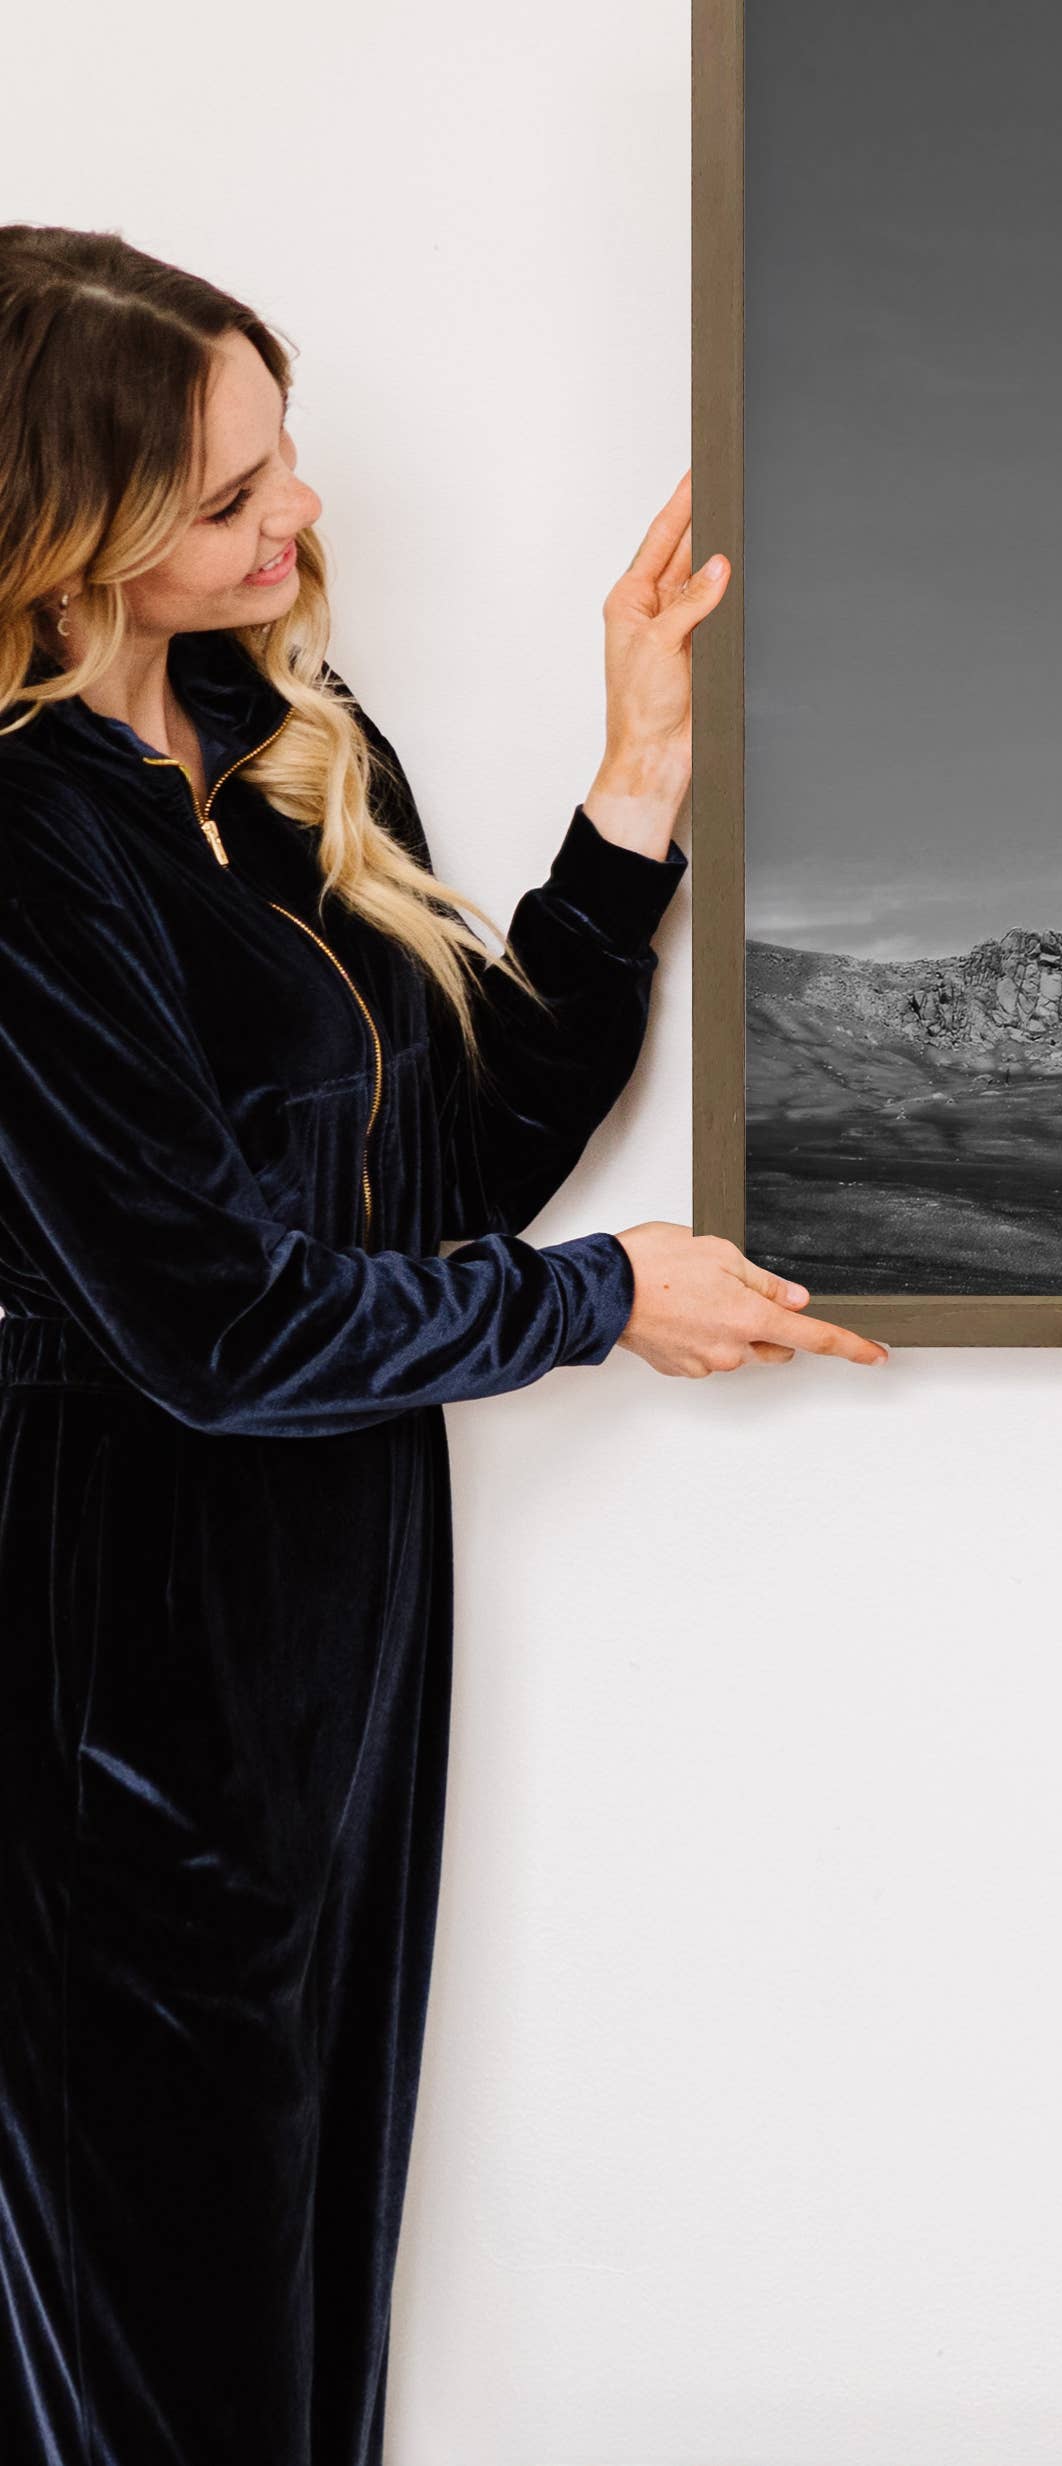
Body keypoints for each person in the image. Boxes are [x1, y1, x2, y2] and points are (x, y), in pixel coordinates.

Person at [0, 226, 886, 2466]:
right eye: (229, 498)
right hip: (97, 1658)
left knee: (291, 2297)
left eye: (284, 458)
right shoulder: (19, 843)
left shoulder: (274, 733)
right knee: (156, 2346)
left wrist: (638, 785)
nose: (296, 521)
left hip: (330, 1623)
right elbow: (208, 1326)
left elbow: (453, 1160)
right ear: (58, 526)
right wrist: (605, 1303)